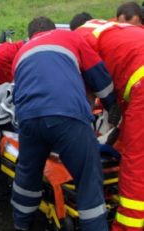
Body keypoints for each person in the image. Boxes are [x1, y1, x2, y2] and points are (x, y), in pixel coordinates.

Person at [11, 17, 119, 231]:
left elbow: (17, 92)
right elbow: (98, 75)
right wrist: (112, 104)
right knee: (88, 178)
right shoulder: (69, 37)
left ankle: (21, 225)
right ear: (53, 29)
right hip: (67, 114)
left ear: (31, 35)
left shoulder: (20, 53)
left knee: (27, 175)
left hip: (29, 118)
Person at [71, 14, 144, 231]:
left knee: (136, 161)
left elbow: (84, 95)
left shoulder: (77, 41)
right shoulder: (109, 28)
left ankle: (127, 226)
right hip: (135, 81)